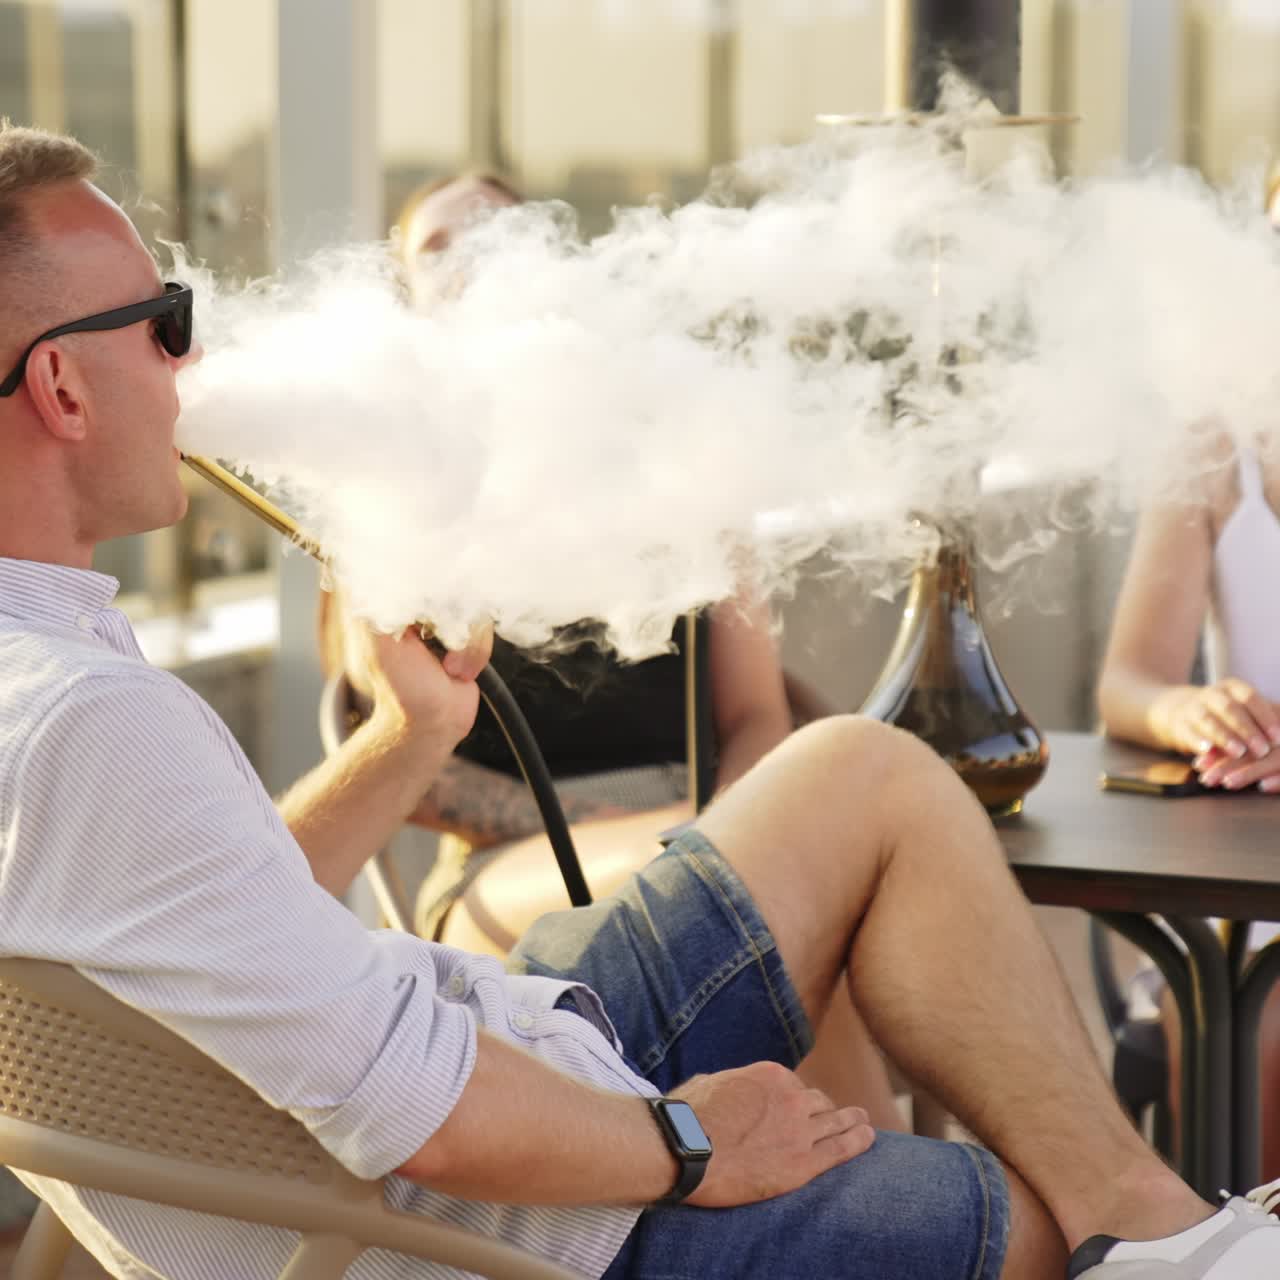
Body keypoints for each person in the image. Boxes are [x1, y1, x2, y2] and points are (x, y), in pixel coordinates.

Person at [0, 121, 1277, 1280]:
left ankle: (1165, 1235)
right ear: (61, 389)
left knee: (858, 770)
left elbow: (218, 928)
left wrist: (409, 736)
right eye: (165, 320)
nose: (194, 354)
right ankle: (1157, 1240)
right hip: (516, 1219)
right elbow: (415, 1112)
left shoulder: (43, 678)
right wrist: (686, 1140)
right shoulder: (87, 722)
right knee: (1042, 1227)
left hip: (493, 1078)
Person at [325, 171, 903, 1128]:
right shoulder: (391, 486)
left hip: (719, 821)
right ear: (406, 303)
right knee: (774, 886)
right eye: (438, 247)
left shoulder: (676, 462)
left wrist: (732, 819)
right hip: (505, 864)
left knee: (793, 874)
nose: (475, 259)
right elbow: (400, 765)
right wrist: (673, 830)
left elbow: (758, 714)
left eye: (504, 237)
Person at [1097, 168, 1280, 1179]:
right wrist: (1187, 709)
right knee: (1238, 1029)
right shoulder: (1213, 441)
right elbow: (1126, 681)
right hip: (1243, 883)